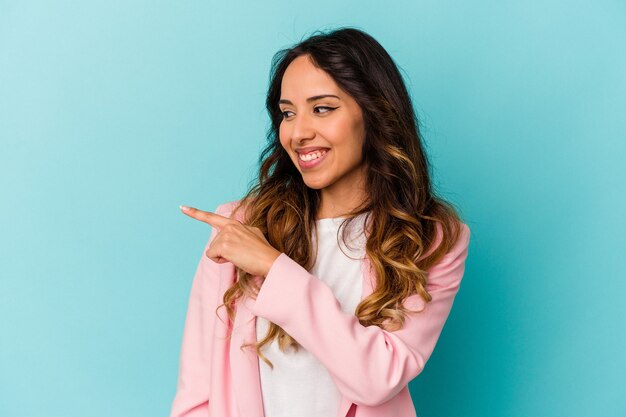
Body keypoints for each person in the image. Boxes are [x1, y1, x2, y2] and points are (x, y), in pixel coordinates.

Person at [169, 27, 471, 417]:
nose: (299, 132)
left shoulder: (432, 239)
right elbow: (196, 397)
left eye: (323, 108)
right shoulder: (239, 226)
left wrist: (274, 269)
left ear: (374, 113)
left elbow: (375, 380)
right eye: (288, 113)